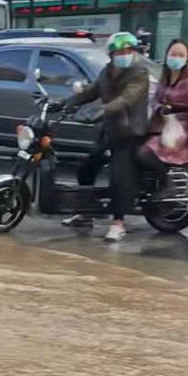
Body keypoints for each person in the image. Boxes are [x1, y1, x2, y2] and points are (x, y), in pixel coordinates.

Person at [63, 31, 151, 242]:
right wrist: (66, 102)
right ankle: (86, 212)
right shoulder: (106, 72)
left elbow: (127, 98)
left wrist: (104, 110)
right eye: (120, 51)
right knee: (86, 167)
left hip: (130, 132)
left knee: (118, 176)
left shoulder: (140, 73)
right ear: (111, 54)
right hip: (111, 129)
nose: (124, 54)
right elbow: (91, 92)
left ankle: (118, 223)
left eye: (128, 50)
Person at [137, 39, 188, 181]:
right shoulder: (165, 77)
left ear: (187, 59)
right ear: (167, 55)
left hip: (181, 131)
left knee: (144, 154)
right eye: (173, 54)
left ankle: (165, 182)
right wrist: (160, 109)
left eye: (181, 55)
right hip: (164, 125)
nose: (176, 59)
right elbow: (155, 99)